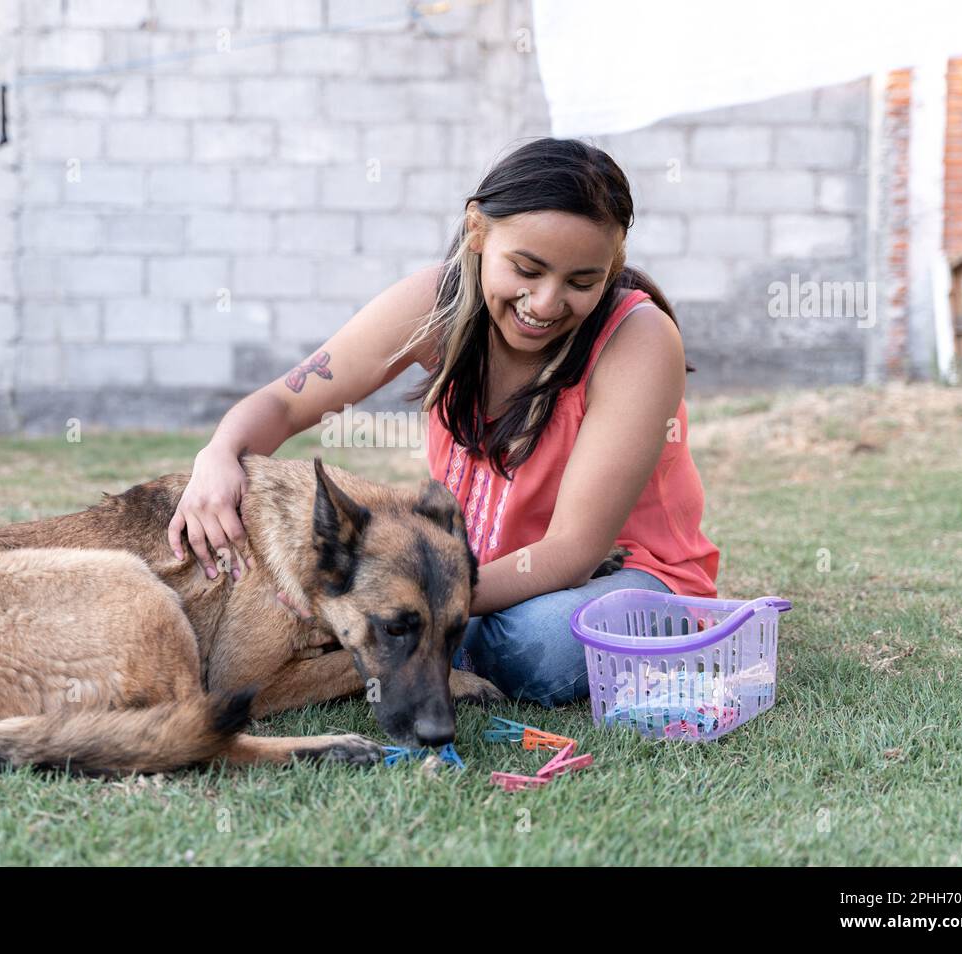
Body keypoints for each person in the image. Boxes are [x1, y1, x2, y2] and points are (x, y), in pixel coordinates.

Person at [166, 137, 720, 708]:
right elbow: (286, 403)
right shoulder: (436, 303)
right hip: (465, 581)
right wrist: (218, 454)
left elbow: (575, 549)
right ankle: (422, 638)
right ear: (477, 232)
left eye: (582, 282)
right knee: (454, 625)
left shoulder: (639, 340)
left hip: (610, 580)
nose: (547, 302)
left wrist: (397, 599)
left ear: (613, 267)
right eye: (527, 269)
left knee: (540, 645)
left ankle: (405, 639)